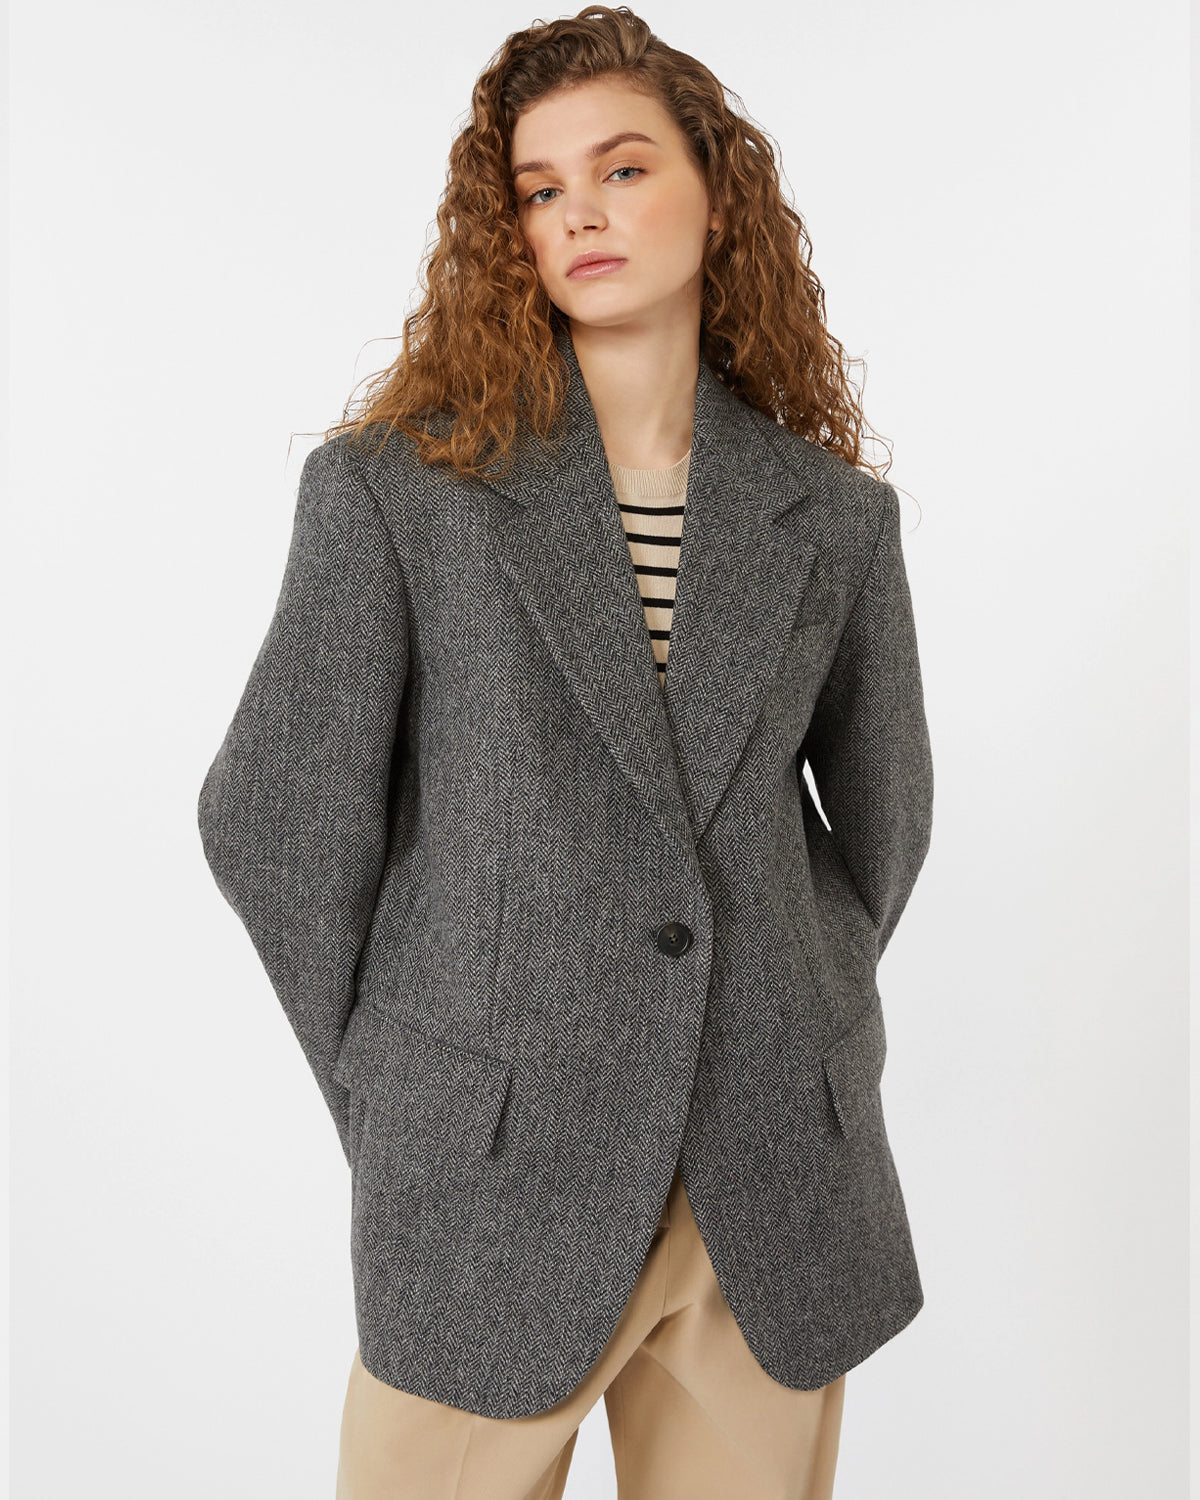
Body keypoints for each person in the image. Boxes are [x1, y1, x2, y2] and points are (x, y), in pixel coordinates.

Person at [196, 6, 935, 1496]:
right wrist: (404, 1097)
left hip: (767, 1198)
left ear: (715, 197)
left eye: (623, 168)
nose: (580, 212)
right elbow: (274, 822)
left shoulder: (833, 516)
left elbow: (883, 820)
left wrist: (794, 1010)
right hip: (488, 1185)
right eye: (540, 189)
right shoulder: (400, 491)